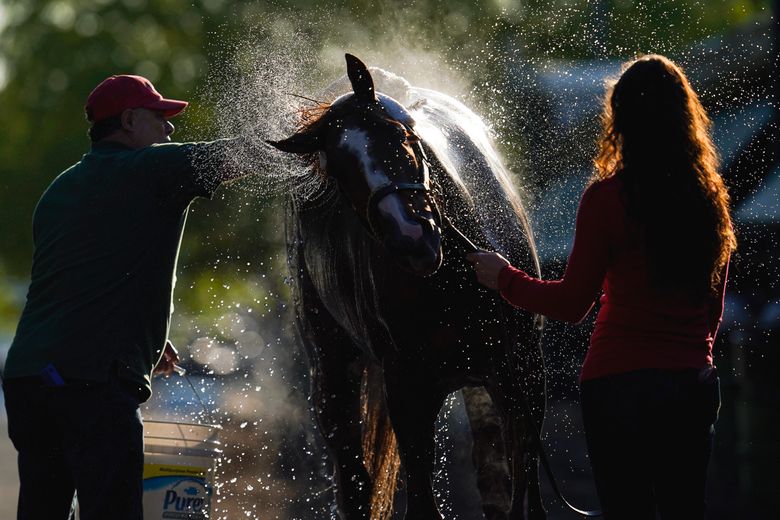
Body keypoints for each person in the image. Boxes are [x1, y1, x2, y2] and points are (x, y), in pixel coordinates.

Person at [467, 54, 736, 519]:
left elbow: (573, 304)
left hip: (618, 386)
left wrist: (503, 278)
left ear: (621, 119)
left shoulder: (606, 199)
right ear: (685, 117)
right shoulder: (709, 199)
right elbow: (712, 308)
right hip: (689, 384)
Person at [1, 74, 252, 519]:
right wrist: (310, 132)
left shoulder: (58, 190)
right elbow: (237, 154)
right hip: (89, 383)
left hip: (29, 380)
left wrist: (146, 337)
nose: (169, 129)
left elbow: (77, 282)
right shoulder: (149, 168)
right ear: (131, 120)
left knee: (42, 507)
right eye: (161, 118)